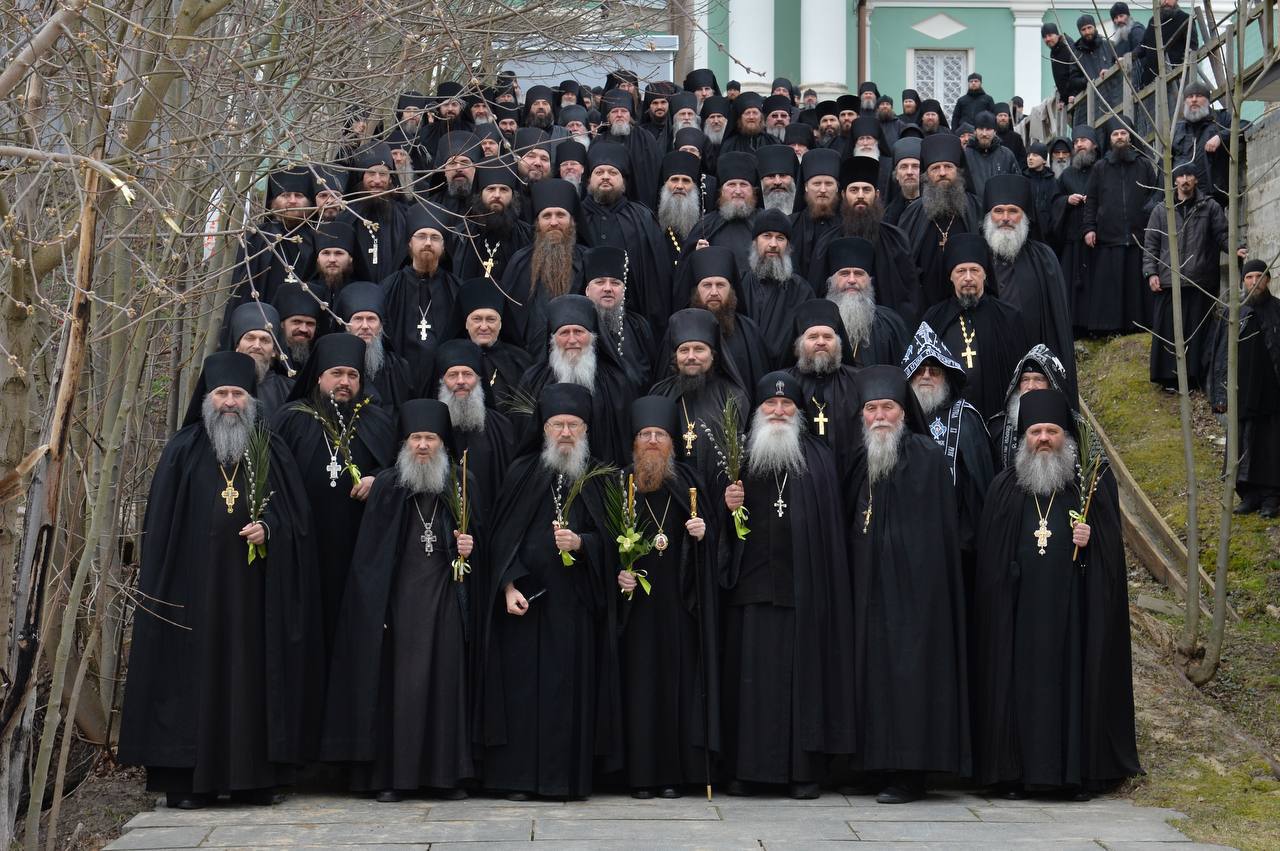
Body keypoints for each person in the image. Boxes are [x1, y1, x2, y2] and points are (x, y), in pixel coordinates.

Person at [118, 352, 321, 810]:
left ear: (252, 400)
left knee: (251, 677)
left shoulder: (271, 449)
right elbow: (161, 531)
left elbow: (298, 522)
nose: (230, 402)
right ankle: (188, 783)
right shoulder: (182, 450)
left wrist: (270, 527)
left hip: (254, 597)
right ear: (207, 398)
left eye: (238, 394)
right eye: (223, 393)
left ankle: (254, 779)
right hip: (193, 594)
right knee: (192, 678)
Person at [973, 389, 1140, 798]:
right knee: (1016, 691)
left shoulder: (1087, 489)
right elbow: (989, 563)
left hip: (1072, 616)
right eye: (1035, 432)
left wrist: (1091, 540)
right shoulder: (1003, 488)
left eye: (1051, 431)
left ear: (1066, 436)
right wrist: (1007, 575)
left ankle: (1071, 775)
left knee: (1070, 687)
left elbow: (1110, 568)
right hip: (1019, 616)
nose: (1044, 438)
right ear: (1023, 438)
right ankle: (1014, 775)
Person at [320, 399, 478, 801]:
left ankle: (444, 778)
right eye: (416, 438)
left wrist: (469, 546)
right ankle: (391, 778)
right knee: (397, 689)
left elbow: (485, 543)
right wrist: (377, 607)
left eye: (430, 438)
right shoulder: (388, 486)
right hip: (397, 605)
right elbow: (370, 558)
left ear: (443, 444)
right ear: (404, 443)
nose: (423, 445)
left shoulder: (462, 483)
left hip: (444, 601)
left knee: (445, 686)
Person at [480, 383, 622, 800]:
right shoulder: (521, 472)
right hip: (524, 604)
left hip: (574, 606)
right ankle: (518, 781)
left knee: (566, 695)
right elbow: (500, 539)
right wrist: (508, 585)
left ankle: (564, 781)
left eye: (573, 425)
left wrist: (582, 543)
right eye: (557, 424)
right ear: (543, 429)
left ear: (586, 430)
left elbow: (615, 542)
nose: (565, 433)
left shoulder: (599, 476)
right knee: (521, 694)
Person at [720, 372, 855, 799]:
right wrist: (726, 505)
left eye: (786, 405)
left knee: (802, 685)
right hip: (750, 591)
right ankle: (747, 772)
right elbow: (716, 528)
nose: (778, 411)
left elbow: (829, 528)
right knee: (749, 686)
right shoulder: (738, 458)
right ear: (758, 411)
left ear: (798, 412)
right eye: (770, 405)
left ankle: (803, 773)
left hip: (803, 591)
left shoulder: (818, 457)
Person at [845, 366, 969, 804]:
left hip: (915, 594)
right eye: (871, 408)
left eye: (888, 408)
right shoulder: (859, 458)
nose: (879, 416)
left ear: (904, 412)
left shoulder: (926, 457)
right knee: (871, 673)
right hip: (868, 587)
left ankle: (910, 773)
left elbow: (935, 534)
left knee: (908, 676)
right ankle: (875, 765)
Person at [614, 396, 720, 799]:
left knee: (677, 688)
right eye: (645, 434)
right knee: (639, 689)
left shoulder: (688, 483)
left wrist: (703, 535)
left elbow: (715, 547)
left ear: (672, 442)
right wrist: (616, 574)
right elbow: (603, 541)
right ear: (634, 443)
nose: (653, 441)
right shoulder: (619, 483)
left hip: (678, 604)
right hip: (635, 610)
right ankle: (640, 777)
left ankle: (674, 775)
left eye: (660, 434)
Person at [271, 334, 395, 649]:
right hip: (303, 545)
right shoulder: (290, 419)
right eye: (337, 373)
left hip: (358, 548)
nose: (345, 382)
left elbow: (398, 471)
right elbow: (271, 480)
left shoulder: (377, 420)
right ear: (318, 377)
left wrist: (377, 480)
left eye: (353, 375)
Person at [901, 322, 995, 593]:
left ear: (946, 377)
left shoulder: (965, 417)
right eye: (919, 371)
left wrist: (962, 540)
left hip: (955, 545)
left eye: (934, 371)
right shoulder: (897, 420)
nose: (926, 376)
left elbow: (978, 488)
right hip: (905, 543)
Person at [1144, 162, 1241, 391]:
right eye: (1181, 176)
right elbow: (1151, 245)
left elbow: (1222, 234)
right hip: (1169, 281)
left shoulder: (1210, 207)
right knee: (1169, 331)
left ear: (1196, 180)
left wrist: (1236, 249)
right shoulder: (1161, 210)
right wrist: (1151, 272)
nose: (1185, 179)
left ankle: (1194, 378)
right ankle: (1168, 379)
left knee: (1198, 334)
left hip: (1200, 281)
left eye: (1189, 175)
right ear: (1174, 180)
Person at [516, 294, 640, 466]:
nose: (572, 340)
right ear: (552, 339)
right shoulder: (533, 380)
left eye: (579, 332)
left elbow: (623, 439)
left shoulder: (616, 381)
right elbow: (524, 435)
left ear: (592, 337)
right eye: (564, 333)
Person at [981, 174, 1077, 396]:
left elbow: (1057, 324)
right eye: (998, 211)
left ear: (1025, 216)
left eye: (1013, 211)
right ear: (988, 216)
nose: (1005, 218)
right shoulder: (975, 259)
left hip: (1033, 368)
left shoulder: (1044, 258)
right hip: (989, 362)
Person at [922, 234, 1028, 419]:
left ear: (985, 274)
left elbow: (1021, 374)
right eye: (961, 271)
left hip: (997, 416)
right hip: (949, 419)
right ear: (950, 276)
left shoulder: (1008, 317)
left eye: (975, 270)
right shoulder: (934, 318)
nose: (968, 278)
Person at [809, 154, 922, 325]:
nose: (860, 196)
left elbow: (909, 297)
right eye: (854, 190)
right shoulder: (827, 241)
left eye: (866, 190)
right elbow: (817, 293)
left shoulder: (896, 239)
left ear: (877, 194)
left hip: (888, 331)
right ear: (843, 194)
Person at [648, 308, 751, 492]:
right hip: (673, 492)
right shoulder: (659, 393)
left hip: (720, 493)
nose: (691, 357)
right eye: (684, 350)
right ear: (675, 357)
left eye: (699, 349)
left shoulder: (733, 395)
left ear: (713, 355)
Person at [578, 144, 673, 335]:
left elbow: (657, 275)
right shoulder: (575, 217)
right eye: (599, 172)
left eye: (613, 172)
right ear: (589, 179)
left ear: (624, 181)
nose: (605, 176)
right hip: (581, 324)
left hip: (633, 322)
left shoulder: (642, 217)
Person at [1212, 260, 1280, 518]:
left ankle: (1271, 497)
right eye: (1249, 277)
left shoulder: (1278, 310)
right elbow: (1220, 355)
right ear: (1243, 281)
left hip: (1273, 392)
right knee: (1244, 444)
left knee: (1271, 446)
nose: (1254, 281)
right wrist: (1220, 395)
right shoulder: (1234, 314)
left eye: (1259, 276)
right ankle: (1249, 495)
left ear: (1268, 279)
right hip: (1242, 392)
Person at [1082, 120, 1158, 333]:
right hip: (1109, 237)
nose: (1120, 137)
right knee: (1111, 286)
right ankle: (1110, 327)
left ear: (1130, 136)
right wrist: (1089, 228)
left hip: (1139, 235)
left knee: (1136, 285)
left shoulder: (1144, 164)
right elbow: (1091, 200)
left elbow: (1155, 194)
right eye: (1115, 134)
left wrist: (1146, 212)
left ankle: (1140, 326)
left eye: (1123, 133)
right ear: (1109, 139)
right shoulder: (1100, 167)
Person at [222, 167, 316, 338]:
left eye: (298, 195)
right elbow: (241, 292)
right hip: (261, 328)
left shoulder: (318, 239)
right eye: (285, 195)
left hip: (305, 330)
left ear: (309, 202)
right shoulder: (256, 238)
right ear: (273, 202)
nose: (292, 201)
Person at [500, 179, 588, 356]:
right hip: (528, 358)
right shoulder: (519, 262)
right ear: (537, 222)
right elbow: (509, 319)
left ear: (572, 221)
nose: (553, 222)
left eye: (560, 215)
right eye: (546, 216)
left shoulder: (587, 260)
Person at [898, 133, 984, 308]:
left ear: (958, 171)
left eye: (948, 167)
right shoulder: (912, 213)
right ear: (926, 175)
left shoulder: (977, 208)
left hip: (971, 303)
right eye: (935, 168)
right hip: (925, 307)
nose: (942, 173)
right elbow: (903, 267)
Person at [785, 299, 866, 480]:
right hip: (800, 481)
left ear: (838, 343)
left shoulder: (858, 380)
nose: (821, 342)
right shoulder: (785, 382)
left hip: (850, 478)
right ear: (799, 344)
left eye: (828, 337)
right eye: (813, 337)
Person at [432, 338, 517, 510]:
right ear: (442, 381)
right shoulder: (429, 428)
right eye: (453, 375)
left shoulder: (501, 427)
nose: (460, 381)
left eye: (467, 374)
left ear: (479, 380)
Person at [736, 210, 816, 368]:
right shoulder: (739, 284)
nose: (773, 244)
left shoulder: (802, 290)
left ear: (788, 246)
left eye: (780, 238)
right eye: (767, 236)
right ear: (755, 242)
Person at [685, 245, 771, 389]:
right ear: (696, 291)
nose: (714, 292)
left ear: (731, 290)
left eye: (720, 285)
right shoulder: (679, 329)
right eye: (707, 285)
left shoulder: (749, 331)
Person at [819, 237, 908, 367]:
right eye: (844, 274)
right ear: (830, 281)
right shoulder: (817, 324)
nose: (852, 280)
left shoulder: (890, 323)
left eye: (859, 274)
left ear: (870, 281)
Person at [990, 344, 1076, 471]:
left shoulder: (1076, 426)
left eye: (1038, 379)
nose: (1030, 386)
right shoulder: (998, 427)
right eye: (1025, 379)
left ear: (1052, 384)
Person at [335, 281, 417, 409]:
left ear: (381, 326)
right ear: (346, 325)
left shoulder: (399, 368)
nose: (365, 326)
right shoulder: (332, 368)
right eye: (358, 319)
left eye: (371, 319)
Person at [582, 245, 656, 386]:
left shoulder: (639, 327)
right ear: (587, 290)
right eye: (600, 282)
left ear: (624, 290)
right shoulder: (577, 328)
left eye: (615, 283)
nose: (608, 288)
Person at [455, 277, 532, 411]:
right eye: (477, 319)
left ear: (501, 324)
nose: (484, 327)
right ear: (466, 323)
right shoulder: (451, 360)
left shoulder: (520, 361)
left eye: (491, 319)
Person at [1053, 126, 1100, 325]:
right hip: (1072, 240)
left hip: (1096, 238)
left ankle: (1094, 324)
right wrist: (1067, 200)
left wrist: (1095, 200)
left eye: (1083, 140)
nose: (1079, 145)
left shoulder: (1101, 170)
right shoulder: (1067, 175)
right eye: (1076, 142)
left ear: (1094, 145)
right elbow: (1055, 201)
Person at [341, 142, 408, 278]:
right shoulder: (346, 217)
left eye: (383, 174)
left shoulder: (405, 215)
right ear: (361, 177)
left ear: (391, 179)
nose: (377, 181)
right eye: (371, 173)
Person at [455, 164, 531, 283]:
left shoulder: (527, 236)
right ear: (480, 194)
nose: (497, 195)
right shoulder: (461, 236)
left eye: (504, 189)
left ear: (513, 196)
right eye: (491, 189)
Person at [1171, 81, 1236, 207]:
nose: (1194, 100)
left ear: (1207, 100)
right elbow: (1166, 164)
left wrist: (1220, 137)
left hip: (1213, 198)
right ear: (1185, 102)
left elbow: (1243, 127)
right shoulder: (1177, 129)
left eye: (1199, 96)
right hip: (1183, 199)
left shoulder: (1220, 119)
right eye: (1190, 96)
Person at [227, 302, 293, 417]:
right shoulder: (220, 388)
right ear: (237, 346)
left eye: (265, 340)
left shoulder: (289, 389)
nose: (257, 346)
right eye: (250, 338)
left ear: (274, 351)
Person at [788, 148, 842, 282]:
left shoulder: (848, 225)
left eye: (829, 184)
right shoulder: (790, 224)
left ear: (837, 188)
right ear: (806, 186)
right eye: (817, 183)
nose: (823, 190)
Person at [1135, 0, 1198, 88]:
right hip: (1151, 81)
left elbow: (1192, 48)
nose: (1166, 1)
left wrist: (1181, 72)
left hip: (1174, 79)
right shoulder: (1153, 21)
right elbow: (1143, 46)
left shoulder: (1185, 19)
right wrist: (1129, 56)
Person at [965, 112, 1021, 198]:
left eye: (988, 129)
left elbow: (1017, 184)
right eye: (981, 129)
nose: (984, 134)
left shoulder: (1007, 155)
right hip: (973, 205)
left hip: (1001, 205)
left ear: (995, 131)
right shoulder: (965, 155)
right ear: (975, 131)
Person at [1043, 23, 1086, 105]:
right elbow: (1060, 78)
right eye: (1044, 37)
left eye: (1050, 35)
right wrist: (1062, 99)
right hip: (1068, 101)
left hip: (1077, 98)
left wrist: (1074, 94)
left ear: (1057, 34)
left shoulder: (1067, 46)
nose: (1047, 39)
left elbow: (1076, 72)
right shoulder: (1054, 51)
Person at [1073, 14, 1117, 80]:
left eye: (1089, 27)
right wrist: (1088, 80)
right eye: (1083, 29)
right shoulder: (1077, 55)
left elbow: (1120, 64)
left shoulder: (1109, 45)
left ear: (1094, 27)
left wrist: (1109, 72)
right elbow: (1074, 79)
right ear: (1080, 32)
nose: (1087, 32)